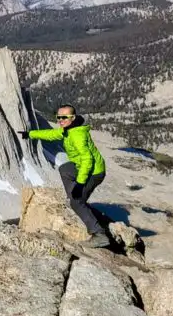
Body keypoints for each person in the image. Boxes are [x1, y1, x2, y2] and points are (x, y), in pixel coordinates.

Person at [20, 105, 109, 248]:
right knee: (65, 169)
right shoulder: (68, 130)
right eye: (59, 117)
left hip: (94, 172)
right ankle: (75, 199)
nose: (60, 120)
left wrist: (80, 184)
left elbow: (88, 161)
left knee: (76, 202)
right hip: (81, 167)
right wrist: (30, 134)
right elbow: (51, 134)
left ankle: (99, 234)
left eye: (64, 117)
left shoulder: (77, 135)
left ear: (72, 118)